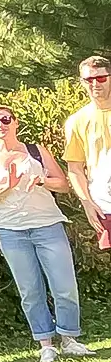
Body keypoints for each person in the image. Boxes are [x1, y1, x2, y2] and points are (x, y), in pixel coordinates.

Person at [0, 105, 89, 362]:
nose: (0, 125)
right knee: (30, 290)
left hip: (48, 225)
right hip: (11, 231)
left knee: (64, 285)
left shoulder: (35, 151)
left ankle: (70, 339)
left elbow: (64, 184)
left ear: (15, 122)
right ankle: (46, 343)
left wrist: (41, 181)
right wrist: (6, 186)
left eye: (4, 120)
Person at [66, 54, 111, 254]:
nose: (95, 84)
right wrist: (86, 203)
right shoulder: (76, 121)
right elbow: (75, 168)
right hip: (104, 206)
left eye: (101, 78)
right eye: (88, 80)